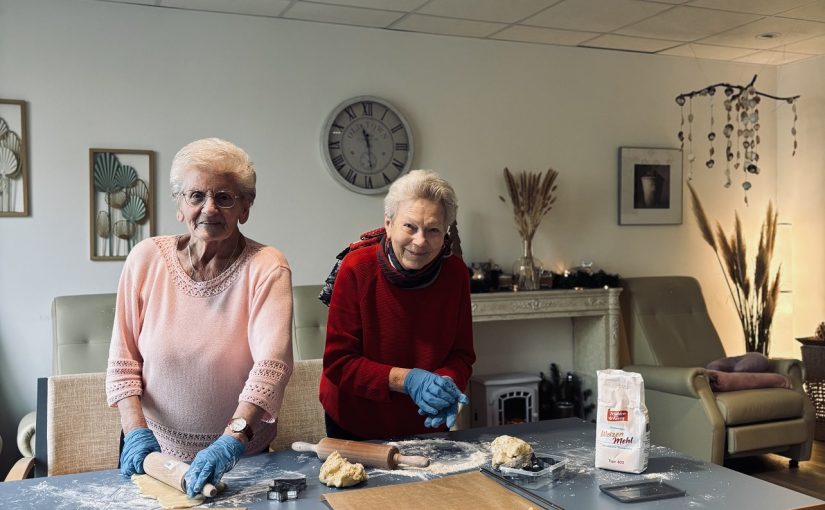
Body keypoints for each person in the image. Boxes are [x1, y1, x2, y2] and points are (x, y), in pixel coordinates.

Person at [105, 138, 293, 497]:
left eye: (224, 197)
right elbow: (122, 360)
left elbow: (271, 367)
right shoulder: (145, 259)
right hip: (153, 456)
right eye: (196, 196)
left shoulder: (267, 267)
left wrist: (233, 439)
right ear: (179, 204)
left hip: (239, 460)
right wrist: (136, 432)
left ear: (245, 207)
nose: (209, 208)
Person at [319, 169, 476, 440]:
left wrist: (445, 384)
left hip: (425, 420)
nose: (420, 241)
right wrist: (409, 380)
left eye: (433, 230)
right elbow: (339, 362)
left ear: (445, 232)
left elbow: (461, 355)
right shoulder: (356, 268)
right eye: (409, 227)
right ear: (389, 224)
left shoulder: (456, 274)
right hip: (355, 421)